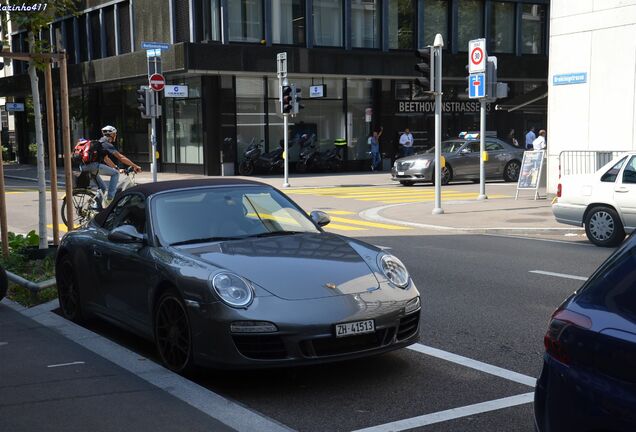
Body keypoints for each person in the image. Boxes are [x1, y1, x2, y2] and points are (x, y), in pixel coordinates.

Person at [81, 125, 142, 207]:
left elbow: (106, 159)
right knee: (115, 174)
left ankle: (95, 209)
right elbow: (121, 157)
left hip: (85, 166)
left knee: (102, 188)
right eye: (115, 134)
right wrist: (135, 166)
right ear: (112, 134)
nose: (115, 136)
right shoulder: (106, 143)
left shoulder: (100, 142)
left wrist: (117, 168)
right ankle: (110, 199)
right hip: (93, 166)